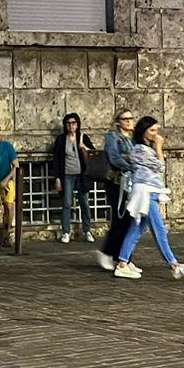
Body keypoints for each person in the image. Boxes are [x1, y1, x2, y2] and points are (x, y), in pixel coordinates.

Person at [113, 117, 184, 281]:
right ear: (143, 131)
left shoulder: (143, 149)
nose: (155, 133)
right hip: (145, 193)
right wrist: (158, 147)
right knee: (159, 230)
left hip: (149, 192)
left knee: (137, 229)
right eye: (152, 130)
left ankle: (122, 263)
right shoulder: (139, 150)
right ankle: (174, 265)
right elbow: (160, 166)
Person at [95, 108, 138, 271]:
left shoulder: (134, 139)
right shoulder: (112, 137)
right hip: (116, 182)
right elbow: (114, 157)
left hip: (130, 183)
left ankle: (123, 257)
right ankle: (106, 252)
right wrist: (131, 164)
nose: (128, 121)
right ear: (118, 121)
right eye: (125, 119)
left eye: (130, 118)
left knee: (129, 220)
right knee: (120, 219)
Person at [49, 114, 94, 245]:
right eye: (68, 123)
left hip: (82, 175)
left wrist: (83, 148)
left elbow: (92, 154)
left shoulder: (83, 137)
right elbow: (56, 159)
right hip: (67, 175)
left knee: (84, 203)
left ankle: (87, 230)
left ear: (78, 124)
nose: (71, 125)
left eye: (74, 123)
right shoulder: (61, 140)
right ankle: (66, 232)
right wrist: (57, 178)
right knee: (67, 203)